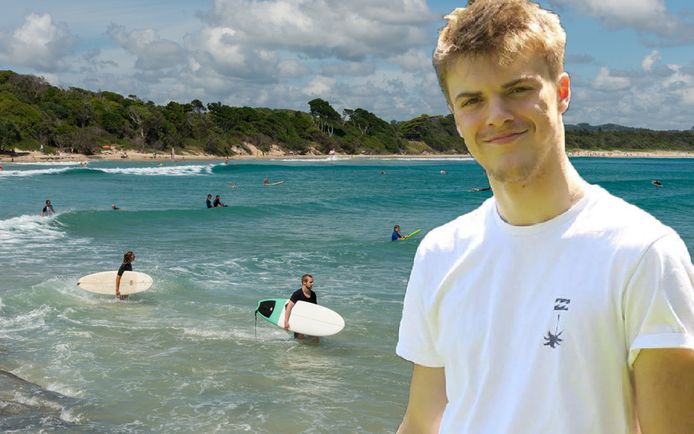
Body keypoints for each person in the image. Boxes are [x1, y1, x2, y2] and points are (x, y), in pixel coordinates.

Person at [396, 2, 694, 434]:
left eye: (518, 89)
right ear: (457, 119)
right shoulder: (440, 252)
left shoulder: (642, 253)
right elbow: (422, 421)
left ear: (563, 91)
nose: (496, 115)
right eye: (472, 100)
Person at [283, 274, 318, 342]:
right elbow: (289, 307)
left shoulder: (313, 294)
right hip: (298, 319)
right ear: (304, 282)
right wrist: (286, 322)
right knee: (300, 339)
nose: (312, 284)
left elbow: (315, 309)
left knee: (316, 339)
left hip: (308, 319)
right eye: (310, 282)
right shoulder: (297, 294)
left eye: (312, 282)